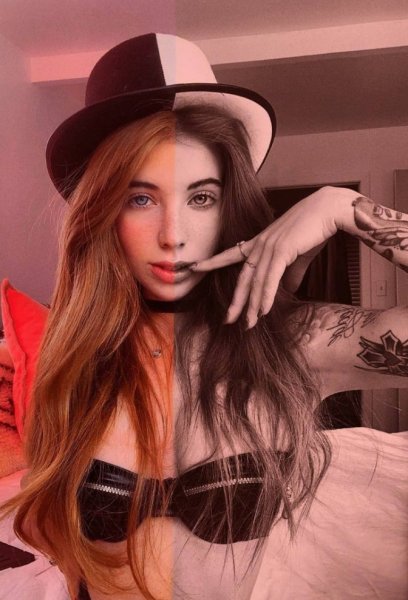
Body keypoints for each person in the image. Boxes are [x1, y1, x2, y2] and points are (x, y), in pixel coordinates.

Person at [0, 33, 407, 600]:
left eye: (201, 198)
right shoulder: (72, 361)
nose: (174, 235)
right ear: (103, 214)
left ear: (230, 207)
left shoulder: (291, 343)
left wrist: (348, 208)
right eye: (140, 198)